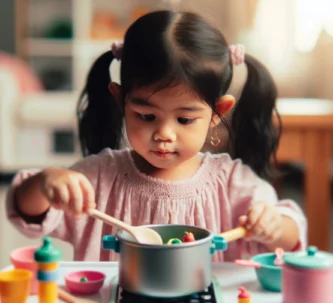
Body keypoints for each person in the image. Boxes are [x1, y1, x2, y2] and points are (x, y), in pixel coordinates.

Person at [6, 10, 306, 262]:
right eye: (147, 116)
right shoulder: (97, 179)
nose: (164, 134)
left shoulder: (232, 184)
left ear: (217, 112)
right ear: (120, 99)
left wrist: (273, 227)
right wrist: (44, 184)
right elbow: (26, 212)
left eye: (185, 119)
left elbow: (290, 237)